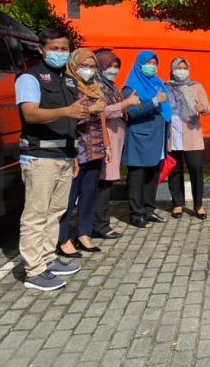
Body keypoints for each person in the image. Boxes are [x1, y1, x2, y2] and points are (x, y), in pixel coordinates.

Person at [15, 28, 88, 291]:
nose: (60, 53)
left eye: (64, 49)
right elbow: (31, 114)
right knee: (36, 213)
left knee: (55, 212)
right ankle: (34, 270)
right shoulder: (30, 78)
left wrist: (74, 152)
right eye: (55, 48)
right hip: (39, 156)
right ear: (42, 50)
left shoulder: (66, 80)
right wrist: (65, 110)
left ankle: (47, 258)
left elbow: (70, 120)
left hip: (64, 155)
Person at [57, 49, 111, 257]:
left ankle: (84, 234)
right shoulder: (68, 87)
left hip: (95, 147)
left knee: (89, 194)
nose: (88, 70)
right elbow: (65, 119)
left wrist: (106, 145)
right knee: (69, 197)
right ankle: (62, 238)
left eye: (92, 66)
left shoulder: (94, 87)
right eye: (84, 65)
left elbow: (102, 120)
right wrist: (91, 109)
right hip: (76, 150)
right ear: (73, 65)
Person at [93, 49, 140, 239]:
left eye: (116, 66)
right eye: (109, 66)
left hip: (116, 138)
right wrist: (125, 104)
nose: (113, 70)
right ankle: (100, 224)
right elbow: (101, 112)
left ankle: (100, 222)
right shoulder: (96, 86)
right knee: (102, 184)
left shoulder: (111, 86)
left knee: (107, 182)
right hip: (105, 140)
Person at [122, 51, 171, 228]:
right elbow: (130, 112)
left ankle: (149, 210)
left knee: (152, 177)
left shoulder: (157, 83)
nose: (152, 66)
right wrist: (154, 102)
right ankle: (136, 214)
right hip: (140, 139)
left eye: (154, 63)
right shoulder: (131, 86)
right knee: (137, 178)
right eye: (148, 63)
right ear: (139, 64)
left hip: (157, 139)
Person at [166, 58, 210, 220]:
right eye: (178, 68)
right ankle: (177, 203)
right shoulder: (166, 87)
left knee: (196, 169)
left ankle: (198, 204)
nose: (181, 70)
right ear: (172, 70)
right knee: (174, 170)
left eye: (184, 67)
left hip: (192, 135)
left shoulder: (196, 86)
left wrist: (202, 108)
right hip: (172, 134)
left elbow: (208, 108)